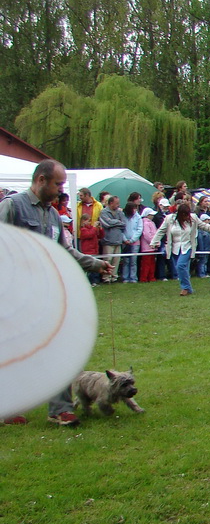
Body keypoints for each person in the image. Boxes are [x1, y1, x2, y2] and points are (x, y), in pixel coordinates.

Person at [0, 159, 114, 425]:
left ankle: (60, 409)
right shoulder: (12, 206)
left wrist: (96, 264)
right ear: (41, 180)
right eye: (58, 184)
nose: (61, 189)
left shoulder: (52, 214)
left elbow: (65, 250)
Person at [150, 201, 210, 296]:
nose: (187, 217)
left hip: (188, 246)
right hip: (174, 247)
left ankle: (185, 288)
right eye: (185, 215)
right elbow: (161, 231)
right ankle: (189, 288)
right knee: (183, 268)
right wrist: (154, 241)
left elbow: (202, 225)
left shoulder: (193, 218)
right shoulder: (169, 219)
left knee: (180, 265)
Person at [98, 195, 127, 283]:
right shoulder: (104, 212)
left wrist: (114, 223)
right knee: (107, 260)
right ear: (111, 203)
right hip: (108, 240)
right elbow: (107, 224)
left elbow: (124, 223)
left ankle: (114, 277)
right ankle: (106, 278)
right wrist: (118, 222)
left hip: (118, 240)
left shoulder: (120, 212)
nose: (118, 205)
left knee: (116, 260)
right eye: (117, 203)